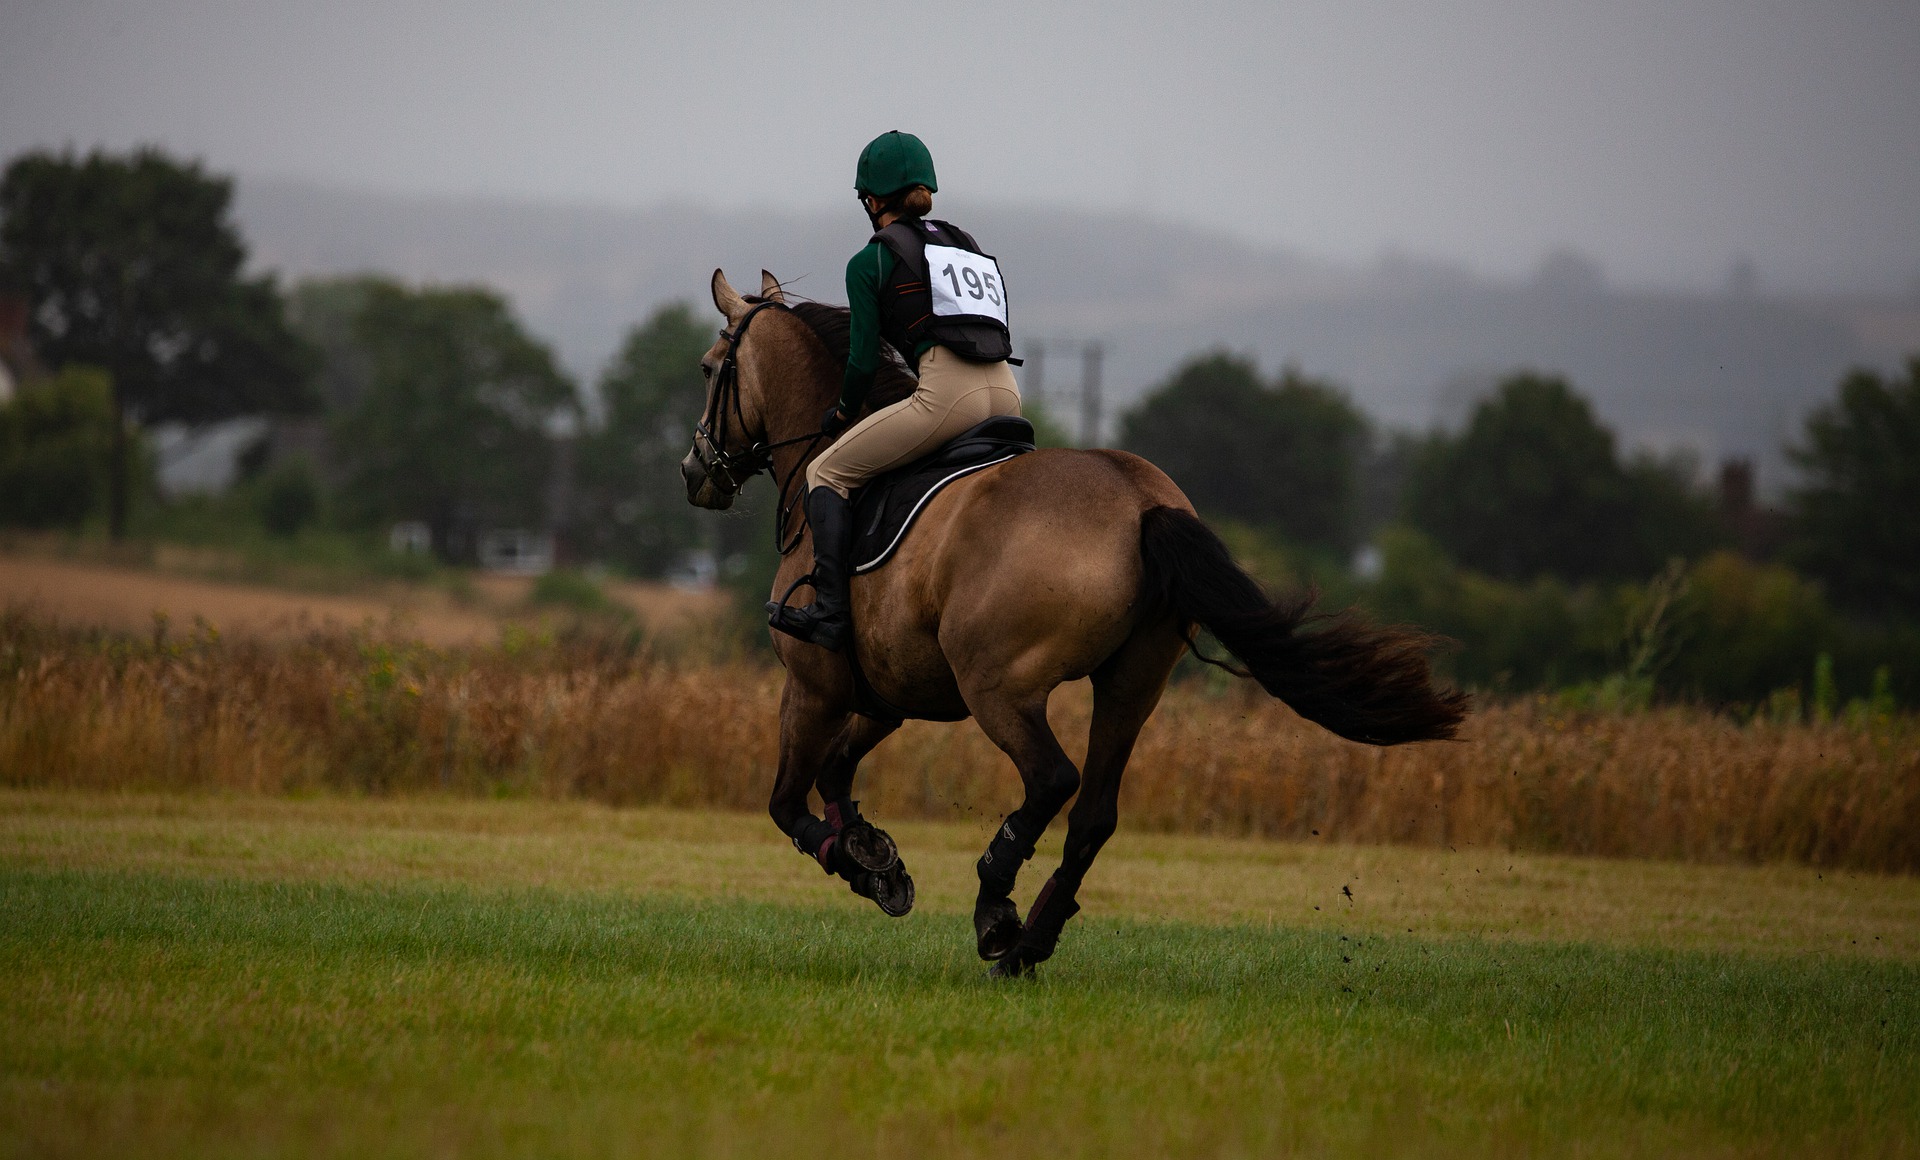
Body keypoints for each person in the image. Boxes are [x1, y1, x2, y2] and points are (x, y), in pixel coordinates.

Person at [768, 131, 1022, 651]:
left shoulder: (871, 261)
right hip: (1008, 392)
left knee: (826, 470)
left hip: (950, 395)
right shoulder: (964, 244)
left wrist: (841, 414)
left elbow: (861, 362)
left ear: (872, 199)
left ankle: (832, 613)